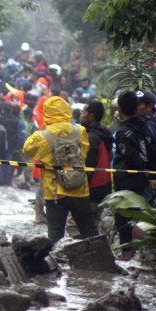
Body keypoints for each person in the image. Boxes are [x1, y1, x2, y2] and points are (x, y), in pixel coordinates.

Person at [23, 96, 98, 243]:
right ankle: (101, 261)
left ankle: (56, 264)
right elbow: (85, 150)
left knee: (55, 235)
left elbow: (27, 150)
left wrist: (45, 128)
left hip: (55, 193)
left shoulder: (42, 136)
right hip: (79, 189)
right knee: (89, 230)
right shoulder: (80, 131)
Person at [112, 91, 156, 258]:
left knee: (123, 218)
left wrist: (143, 172)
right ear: (137, 107)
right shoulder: (145, 126)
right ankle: (142, 253)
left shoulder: (123, 132)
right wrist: (152, 175)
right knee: (141, 214)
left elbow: (131, 157)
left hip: (128, 181)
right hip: (144, 180)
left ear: (120, 109)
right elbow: (155, 152)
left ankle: (128, 255)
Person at [80, 100, 114, 229]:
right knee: (94, 226)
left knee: (75, 227)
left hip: (92, 188)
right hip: (104, 187)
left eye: (84, 112)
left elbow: (89, 165)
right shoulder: (105, 133)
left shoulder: (91, 137)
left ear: (91, 116)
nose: (81, 115)